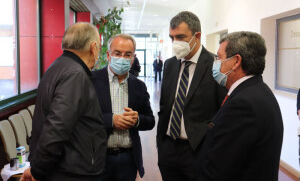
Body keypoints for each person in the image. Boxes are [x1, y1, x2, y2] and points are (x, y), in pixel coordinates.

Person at [20, 22, 107, 181]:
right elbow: (57, 127)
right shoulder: (75, 74)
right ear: (93, 47)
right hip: (72, 171)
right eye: (100, 48)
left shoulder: (57, 66)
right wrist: (37, 171)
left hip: (63, 167)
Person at [197, 31, 284, 181]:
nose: (216, 62)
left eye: (219, 57)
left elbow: (222, 166)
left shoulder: (243, 104)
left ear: (236, 61)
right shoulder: (259, 90)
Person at [156, 11, 227, 181]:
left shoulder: (215, 65)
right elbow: (165, 107)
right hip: (168, 148)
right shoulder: (170, 64)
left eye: (180, 37)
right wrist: (161, 144)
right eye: (172, 37)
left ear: (197, 36)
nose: (175, 42)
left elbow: (222, 112)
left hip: (197, 151)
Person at [92, 34, 155, 181]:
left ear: (133, 58)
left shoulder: (139, 86)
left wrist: (137, 120)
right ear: (108, 55)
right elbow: (82, 117)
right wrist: (110, 120)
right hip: (99, 157)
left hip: (128, 159)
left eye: (127, 55)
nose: (122, 58)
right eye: (117, 53)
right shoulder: (92, 81)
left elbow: (150, 120)